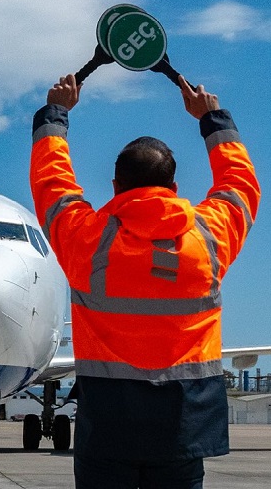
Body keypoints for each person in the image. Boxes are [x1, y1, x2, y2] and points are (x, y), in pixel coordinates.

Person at [29, 74, 260, 489]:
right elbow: (240, 186)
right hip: (184, 428)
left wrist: (55, 116)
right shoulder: (209, 238)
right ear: (173, 188)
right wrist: (213, 119)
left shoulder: (87, 240)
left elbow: (52, 184)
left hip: (107, 429)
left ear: (116, 186)